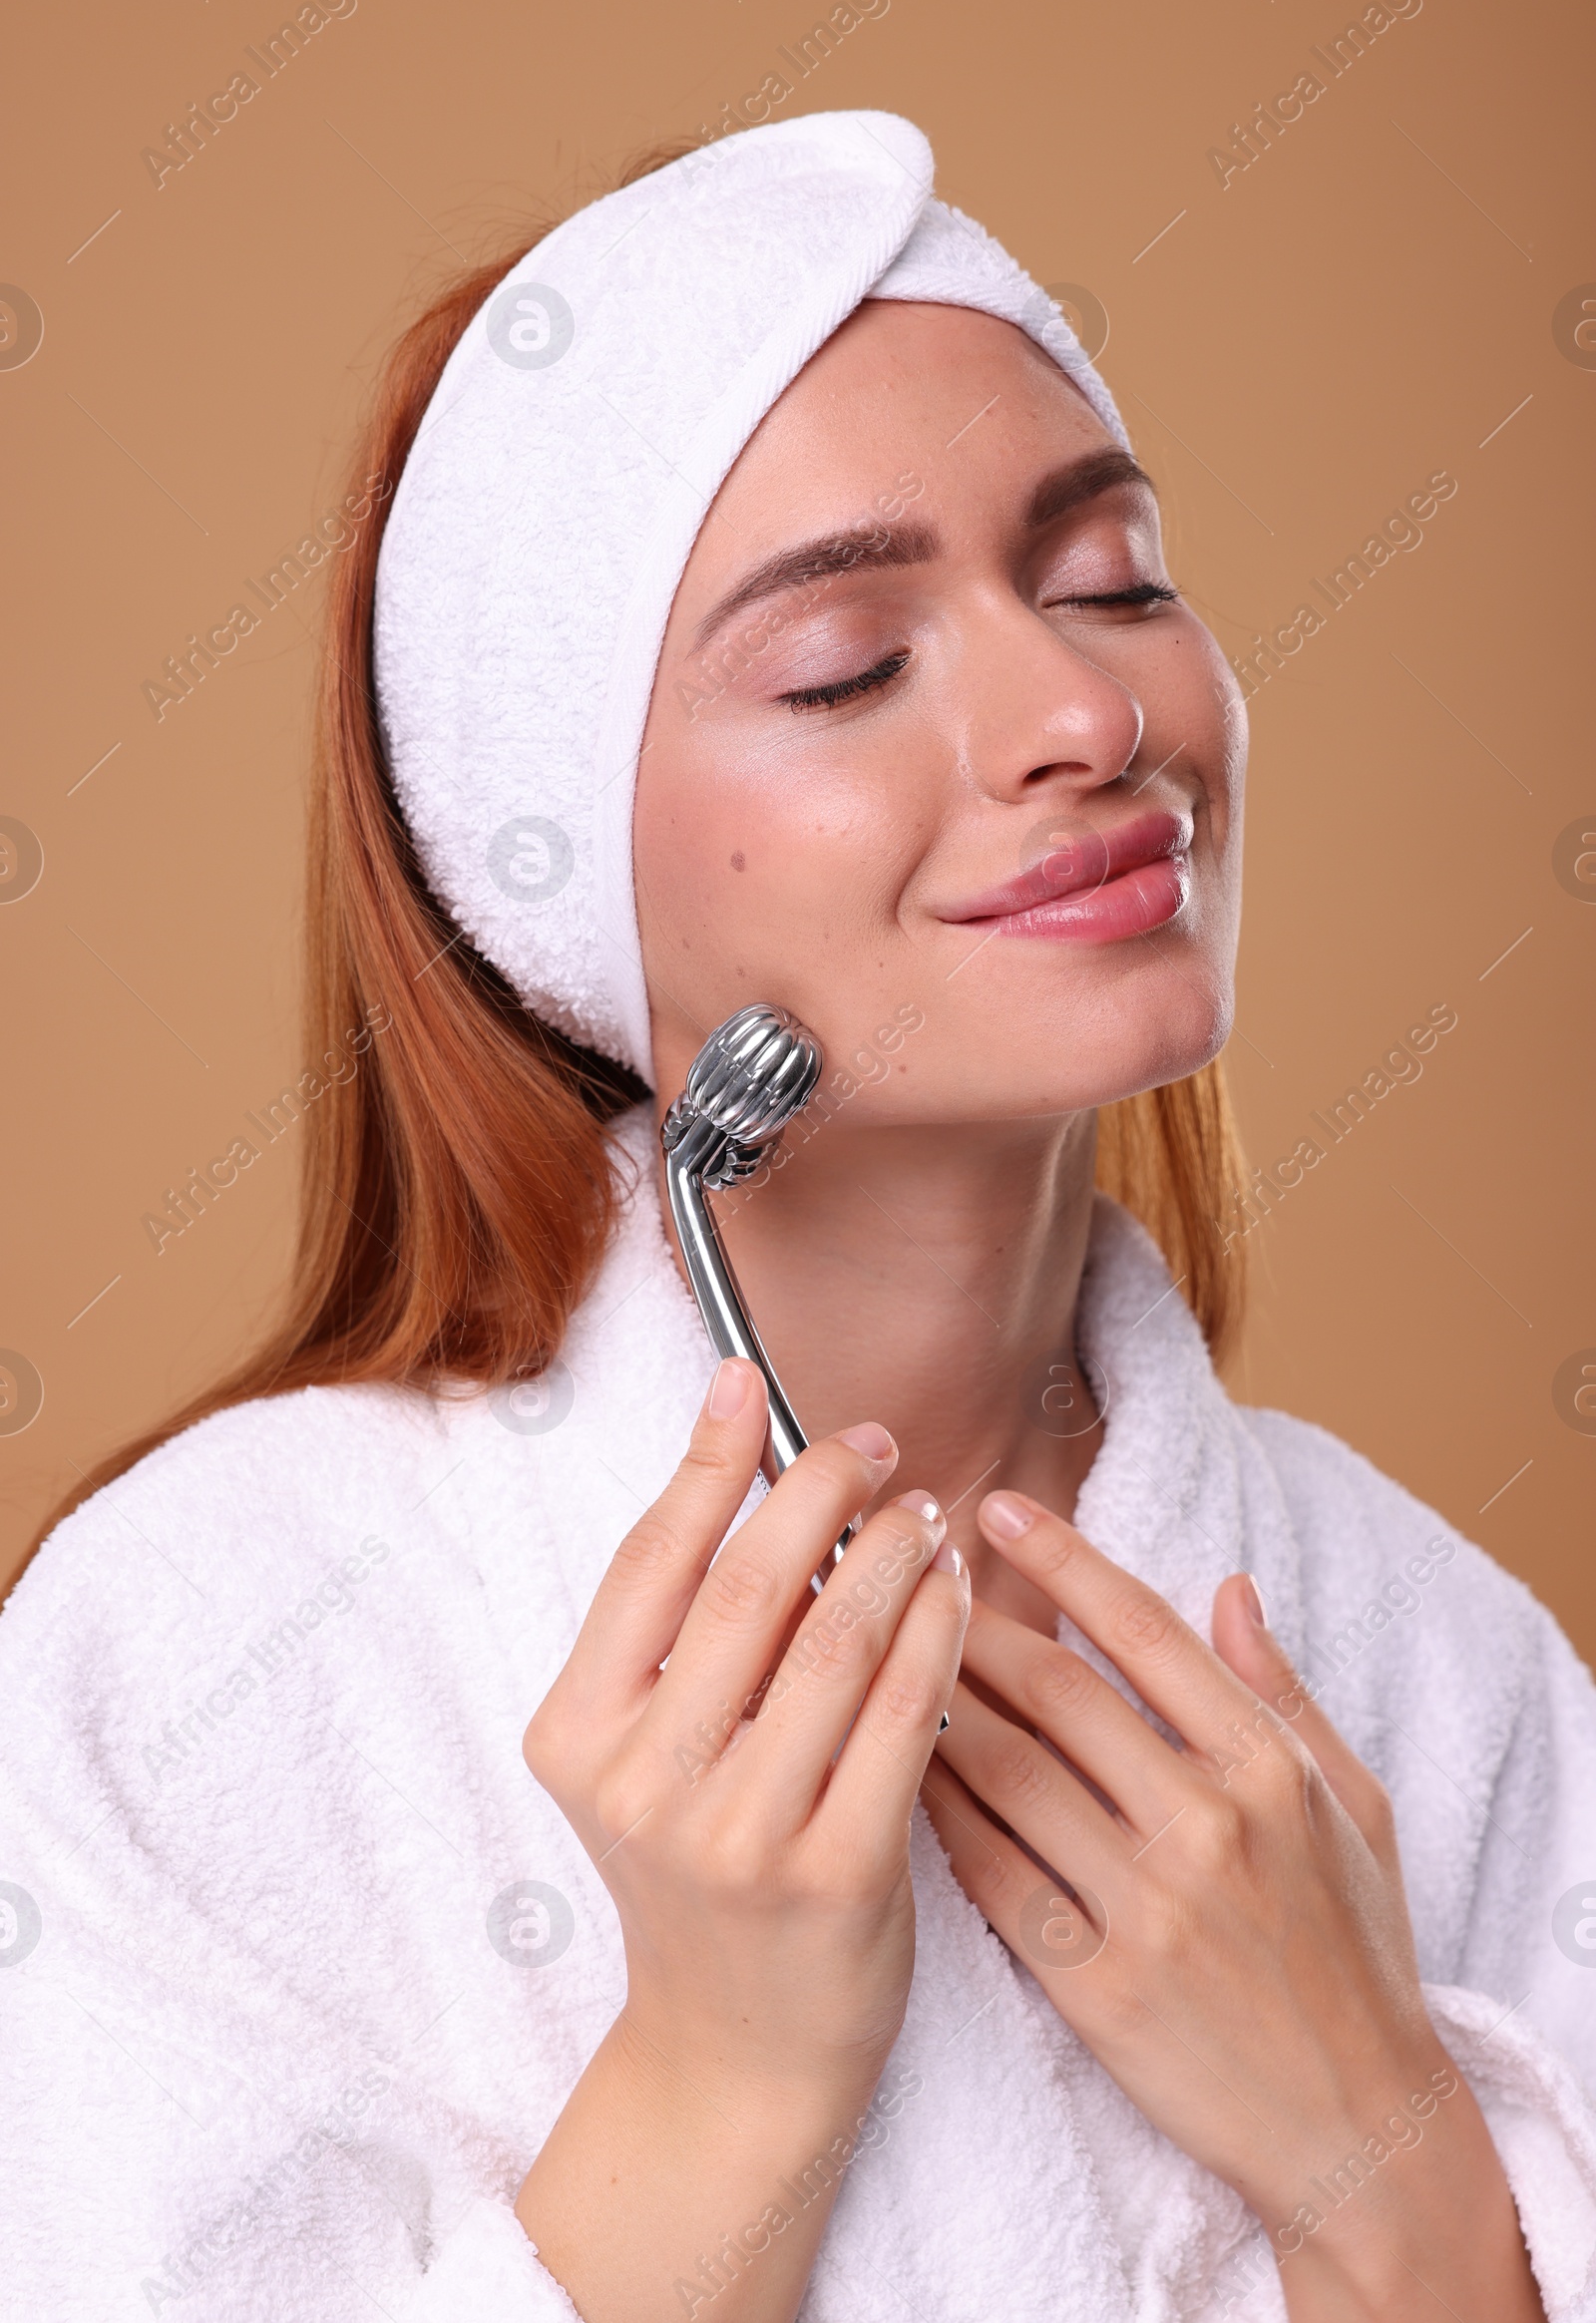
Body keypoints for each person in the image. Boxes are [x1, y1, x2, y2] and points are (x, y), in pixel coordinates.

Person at [3, 112, 1593, 2323]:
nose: (1078, 712)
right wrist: (721, 2090)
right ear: (554, 881)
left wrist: (1390, 2173)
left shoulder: (1442, 1665)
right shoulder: (202, 1667)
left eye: (1111, 575)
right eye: (846, 665)